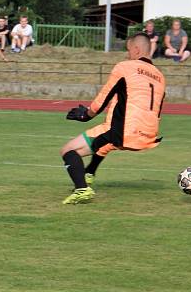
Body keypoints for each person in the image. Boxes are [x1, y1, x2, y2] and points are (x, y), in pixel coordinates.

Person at [59, 33, 166, 205]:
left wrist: (86, 115)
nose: (127, 55)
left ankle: (82, 189)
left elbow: (103, 97)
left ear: (136, 49)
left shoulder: (125, 67)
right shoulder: (159, 76)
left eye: (129, 50)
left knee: (68, 151)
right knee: (106, 141)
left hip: (125, 131)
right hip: (148, 136)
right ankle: (90, 173)